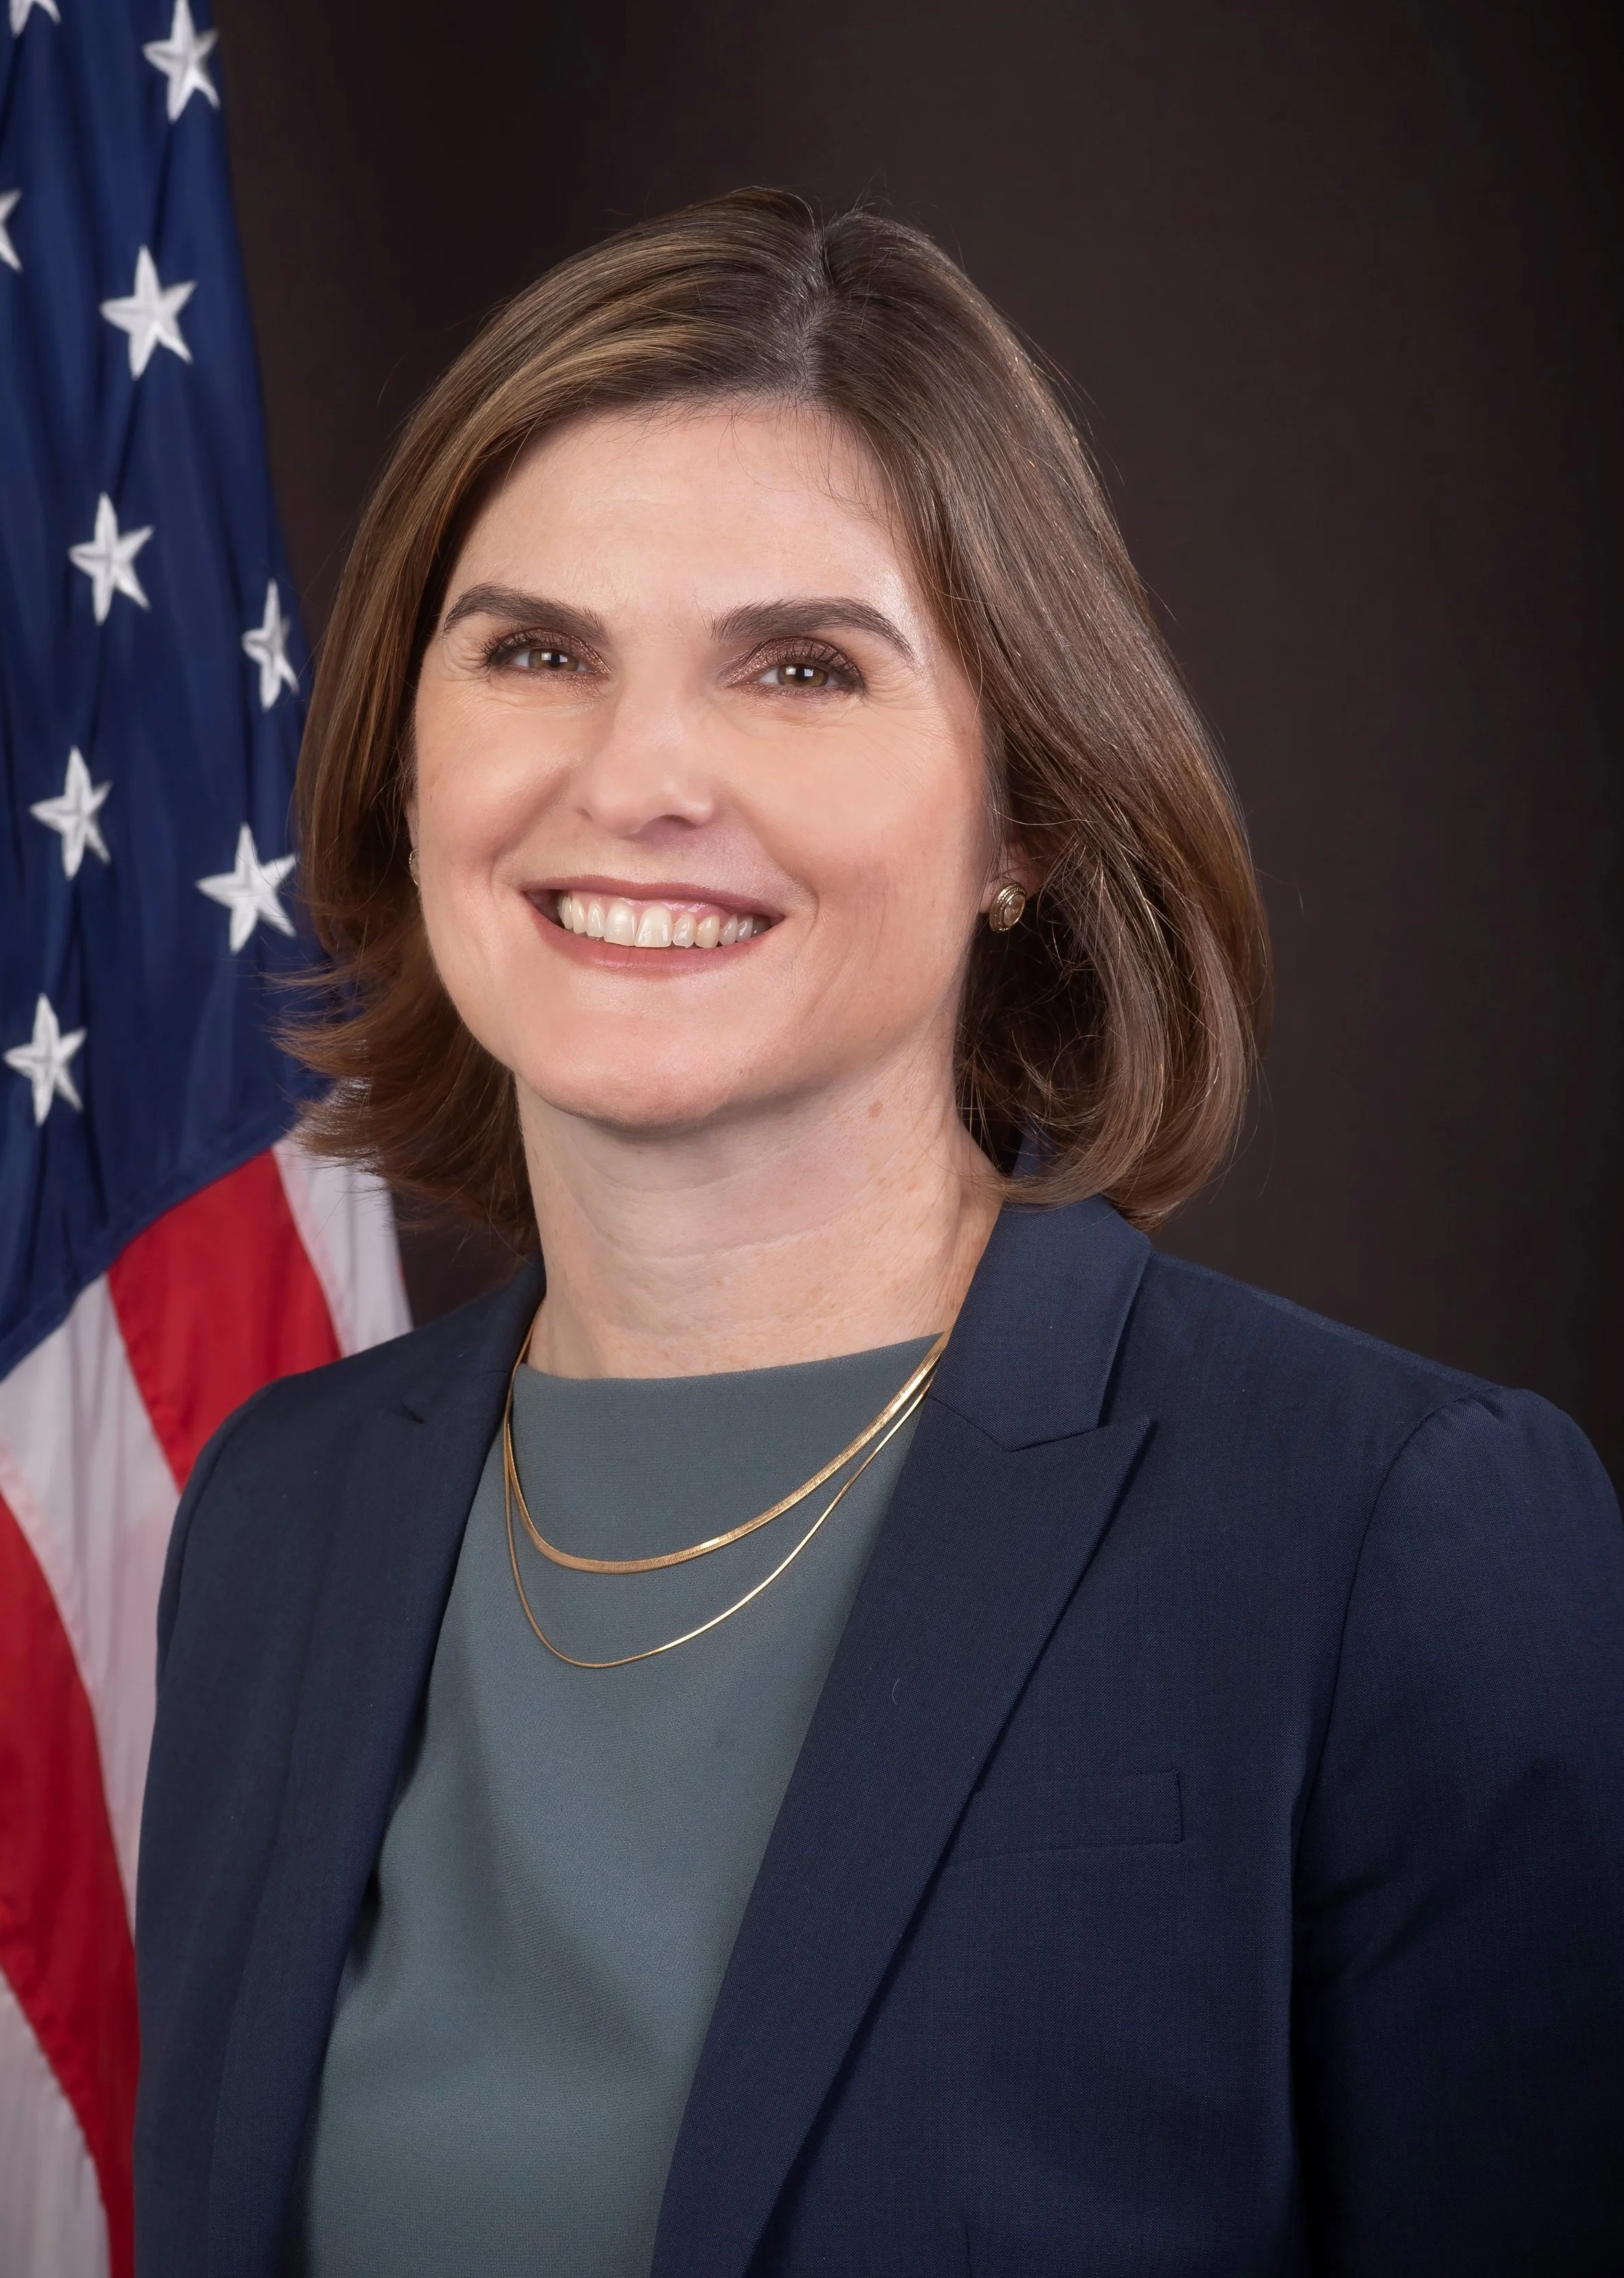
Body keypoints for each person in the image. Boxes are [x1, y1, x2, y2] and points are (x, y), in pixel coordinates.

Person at [133, 190, 1624, 2278]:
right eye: (537, 650)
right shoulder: (274, 1514)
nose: (638, 775)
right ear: (401, 758)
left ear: (1025, 815)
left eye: (803, 669)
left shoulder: (1385, 1537)